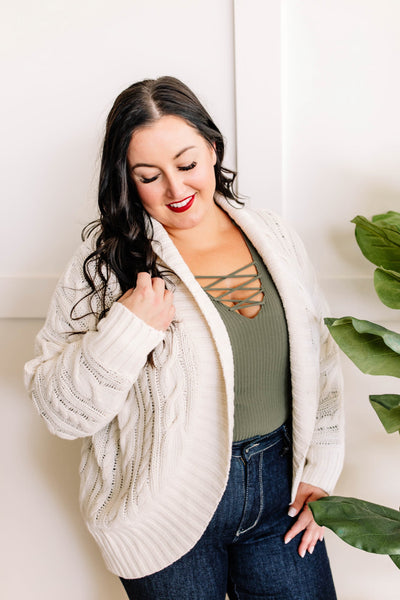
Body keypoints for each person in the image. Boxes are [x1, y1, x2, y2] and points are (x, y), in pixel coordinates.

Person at [24, 76, 344, 600]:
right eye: (149, 176)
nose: (175, 190)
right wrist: (127, 330)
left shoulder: (275, 237)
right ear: (127, 180)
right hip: (162, 511)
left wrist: (322, 469)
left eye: (187, 164)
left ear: (213, 149)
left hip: (280, 494)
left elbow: (322, 360)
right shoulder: (105, 267)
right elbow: (59, 412)